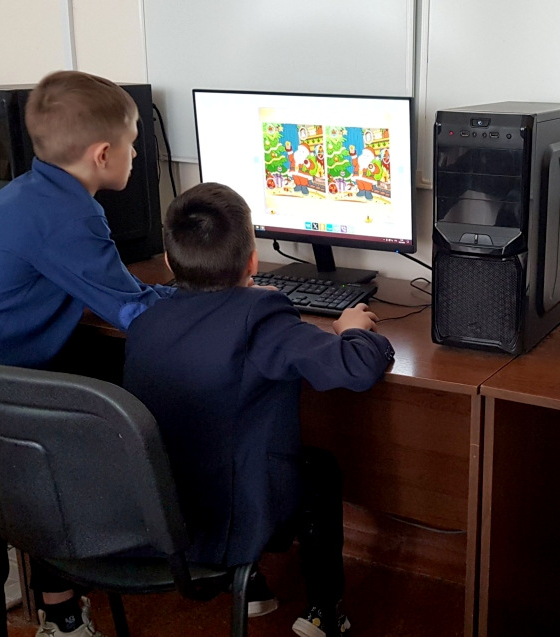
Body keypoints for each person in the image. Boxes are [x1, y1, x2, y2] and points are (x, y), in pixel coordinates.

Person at [0, 70, 175, 636]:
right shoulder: (71, 216)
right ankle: (65, 611)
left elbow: (106, 289)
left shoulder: (29, 192)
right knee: (83, 448)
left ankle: (53, 610)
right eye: (134, 142)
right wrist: (219, 298)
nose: (138, 154)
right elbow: (133, 312)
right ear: (102, 154)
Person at [122, 182, 393, 637]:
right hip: (230, 513)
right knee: (320, 471)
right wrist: (352, 327)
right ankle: (325, 613)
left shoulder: (146, 322)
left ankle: (250, 588)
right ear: (253, 260)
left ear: (168, 261)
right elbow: (359, 368)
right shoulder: (262, 318)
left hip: (163, 510)